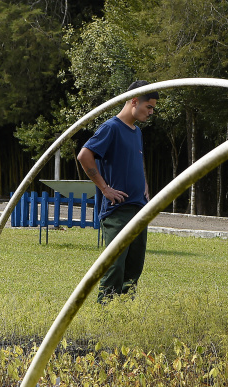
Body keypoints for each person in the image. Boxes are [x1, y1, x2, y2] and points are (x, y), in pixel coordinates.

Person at [78, 80, 159, 303]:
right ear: (134, 101)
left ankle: (124, 316)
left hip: (138, 209)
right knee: (115, 267)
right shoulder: (111, 127)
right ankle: (105, 317)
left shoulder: (137, 132)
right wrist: (105, 189)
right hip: (118, 210)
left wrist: (144, 186)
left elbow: (136, 160)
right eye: (148, 107)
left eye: (152, 108)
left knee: (134, 269)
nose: (151, 112)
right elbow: (85, 155)